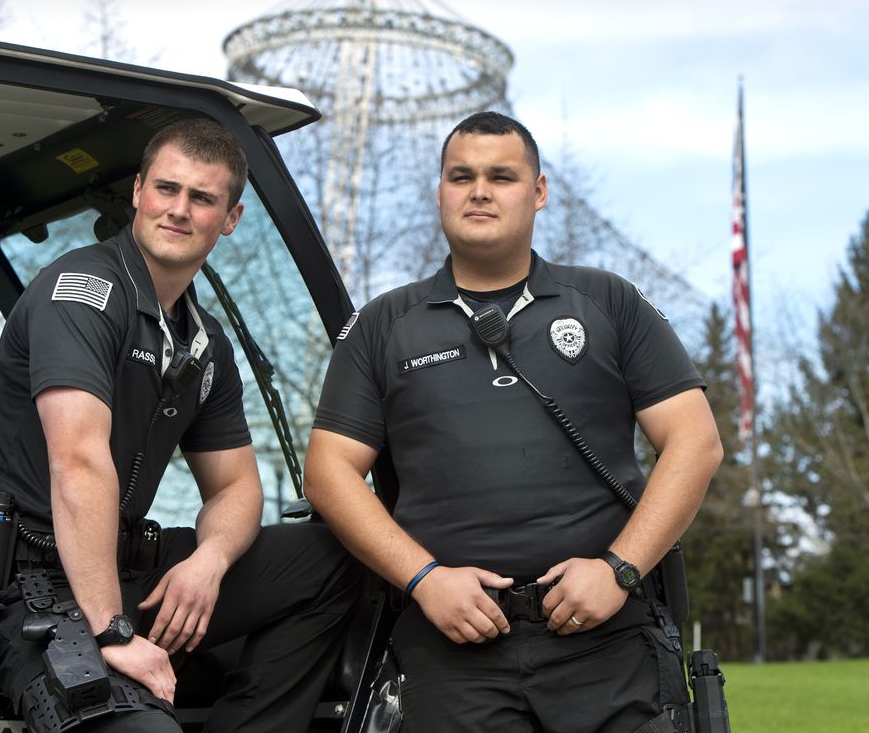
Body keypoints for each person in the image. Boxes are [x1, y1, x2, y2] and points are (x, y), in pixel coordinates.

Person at [303, 111, 723, 732]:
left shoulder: (608, 302)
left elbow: (696, 442)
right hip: (450, 648)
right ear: (440, 190)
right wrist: (424, 580)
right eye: (460, 176)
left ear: (539, 191)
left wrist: (619, 568)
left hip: (604, 637)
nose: (479, 191)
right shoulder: (383, 325)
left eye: (501, 176)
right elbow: (329, 472)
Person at [0, 118, 362, 733]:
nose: (179, 209)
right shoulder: (82, 293)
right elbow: (78, 462)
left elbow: (237, 489)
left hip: (121, 568)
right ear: (140, 191)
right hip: (22, 588)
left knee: (333, 555)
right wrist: (112, 630)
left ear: (230, 218)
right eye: (166, 189)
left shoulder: (203, 345)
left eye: (202, 198)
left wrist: (210, 561)